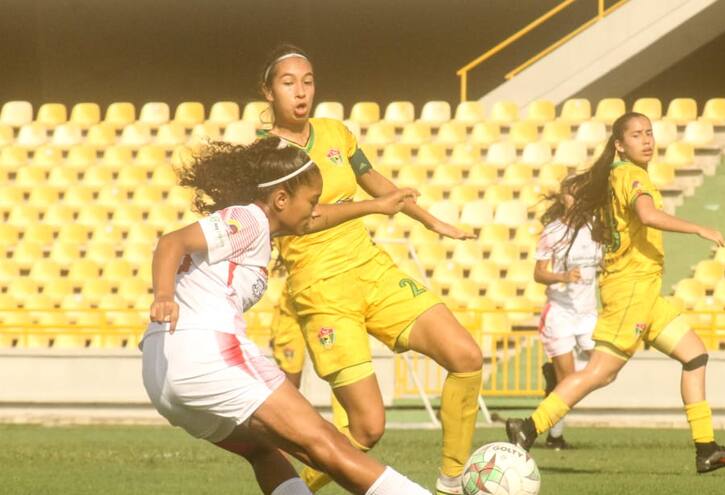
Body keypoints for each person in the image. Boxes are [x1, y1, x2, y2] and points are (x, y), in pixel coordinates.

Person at [141, 137, 430, 495]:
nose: (315, 209)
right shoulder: (249, 219)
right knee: (327, 444)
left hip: (161, 370)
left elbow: (313, 220)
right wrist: (164, 297)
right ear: (280, 199)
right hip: (207, 352)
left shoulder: (259, 225)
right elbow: (170, 243)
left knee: (263, 450)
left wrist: (376, 205)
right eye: (311, 200)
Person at [257, 44, 483, 495]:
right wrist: (373, 207)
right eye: (288, 83)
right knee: (366, 429)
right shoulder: (266, 156)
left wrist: (430, 220)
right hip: (322, 289)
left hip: (372, 268)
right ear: (268, 92)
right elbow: (304, 220)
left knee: (466, 357)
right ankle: (293, 490)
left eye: (308, 81)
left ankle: (451, 483)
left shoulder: (335, 132)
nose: (301, 92)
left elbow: (375, 180)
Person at [506, 112, 725, 474]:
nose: (647, 140)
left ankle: (706, 448)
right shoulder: (631, 175)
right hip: (631, 290)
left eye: (649, 133)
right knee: (600, 373)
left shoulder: (616, 175)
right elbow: (648, 215)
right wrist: (699, 228)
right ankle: (528, 428)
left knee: (695, 356)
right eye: (636, 135)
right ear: (620, 145)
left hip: (645, 292)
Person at [533, 176, 602, 450]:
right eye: (571, 194)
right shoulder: (553, 231)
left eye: (580, 194)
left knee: (604, 369)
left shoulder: (596, 228)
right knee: (568, 381)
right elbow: (538, 274)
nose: (575, 199)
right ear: (563, 198)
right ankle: (555, 437)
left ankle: (553, 378)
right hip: (559, 313)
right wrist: (562, 276)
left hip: (588, 314)